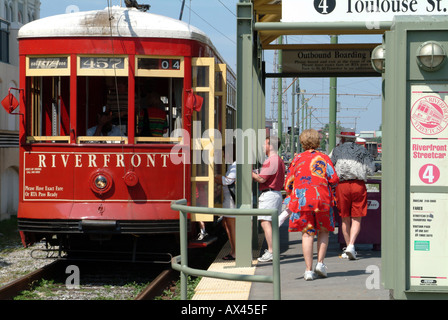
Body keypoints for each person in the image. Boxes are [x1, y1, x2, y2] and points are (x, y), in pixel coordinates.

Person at [287, 129, 339, 280]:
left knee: (307, 233)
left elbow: (288, 182)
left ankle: (308, 270)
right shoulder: (323, 158)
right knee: (323, 231)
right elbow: (334, 179)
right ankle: (320, 264)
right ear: (318, 141)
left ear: (302, 142)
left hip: (302, 200)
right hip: (322, 199)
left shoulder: (297, 159)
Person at [330, 128, 375, 260]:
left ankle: (347, 247)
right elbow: (371, 169)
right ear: (354, 139)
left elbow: (330, 166)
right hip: (358, 185)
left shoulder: (336, 150)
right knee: (357, 217)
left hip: (342, 186)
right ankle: (351, 245)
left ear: (342, 139)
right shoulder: (362, 150)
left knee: (344, 217)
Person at [252, 135, 285, 262]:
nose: (262, 146)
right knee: (270, 224)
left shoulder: (272, 160)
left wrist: (249, 172)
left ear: (270, 146)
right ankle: (272, 250)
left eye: (264, 144)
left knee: (266, 223)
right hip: (275, 193)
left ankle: (271, 251)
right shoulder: (278, 160)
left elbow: (261, 179)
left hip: (269, 194)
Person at [214, 145, 237, 260]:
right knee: (226, 224)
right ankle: (234, 250)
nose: (223, 156)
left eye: (225, 154)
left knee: (231, 226)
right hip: (228, 199)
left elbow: (228, 181)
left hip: (231, 201)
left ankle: (235, 252)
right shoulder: (233, 165)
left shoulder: (235, 165)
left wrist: (216, 177)